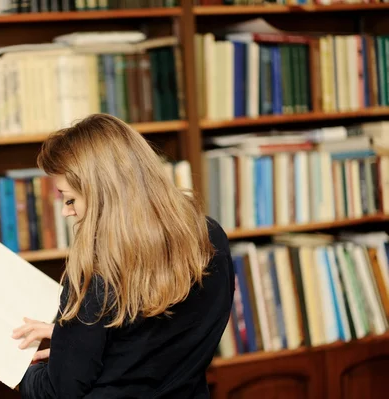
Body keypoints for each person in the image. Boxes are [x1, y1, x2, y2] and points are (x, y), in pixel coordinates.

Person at [12, 113, 234, 398]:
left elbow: (59, 392)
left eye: (70, 199)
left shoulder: (95, 270)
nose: (67, 211)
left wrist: (17, 370)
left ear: (102, 194)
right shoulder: (209, 237)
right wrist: (70, 339)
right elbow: (149, 346)